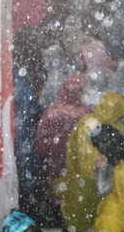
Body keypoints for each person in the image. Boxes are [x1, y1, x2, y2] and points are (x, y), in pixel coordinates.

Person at [59, 92, 124, 232]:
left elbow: (71, 149)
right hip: (105, 184)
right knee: (103, 222)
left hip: (82, 181)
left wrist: (72, 171)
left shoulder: (85, 122)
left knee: (82, 220)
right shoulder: (120, 130)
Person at [35, 74, 90, 205]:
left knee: (56, 186)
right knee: (74, 188)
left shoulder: (53, 109)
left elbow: (41, 137)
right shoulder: (86, 112)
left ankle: (56, 209)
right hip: (77, 160)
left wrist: (52, 148)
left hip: (55, 158)